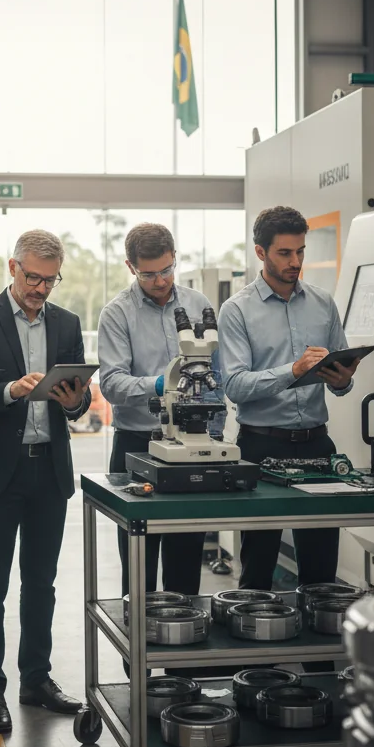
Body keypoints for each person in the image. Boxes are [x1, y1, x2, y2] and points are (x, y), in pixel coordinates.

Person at [0, 229, 92, 734]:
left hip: (48, 468)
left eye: (49, 281)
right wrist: (11, 390)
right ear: (12, 267)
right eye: (33, 277)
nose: (40, 288)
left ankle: (36, 679)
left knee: (42, 584)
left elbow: (77, 400)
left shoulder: (68, 323)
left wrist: (73, 399)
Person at [218, 206, 360, 593]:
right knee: (257, 572)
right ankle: (255, 652)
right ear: (260, 252)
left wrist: (343, 380)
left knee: (321, 571)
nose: (296, 261)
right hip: (260, 447)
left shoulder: (322, 303)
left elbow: (340, 375)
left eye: (300, 251)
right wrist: (292, 372)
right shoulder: (236, 310)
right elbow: (234, 384)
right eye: (285, 253)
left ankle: (319, 656)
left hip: (317, 444)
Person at [98, 222, 225, 598]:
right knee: (138, 571)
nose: (159, 281)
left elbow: (216, 371)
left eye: (167, 270)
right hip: (137, 445)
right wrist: (161, 384)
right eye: (148, 274)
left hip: (192, 448)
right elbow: (111, 384)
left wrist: (213, 431)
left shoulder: (199, 305)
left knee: (186, 564)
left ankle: (182, 650)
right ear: (130, 267)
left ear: (175, 260)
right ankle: (137, 657)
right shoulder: (117, 313)